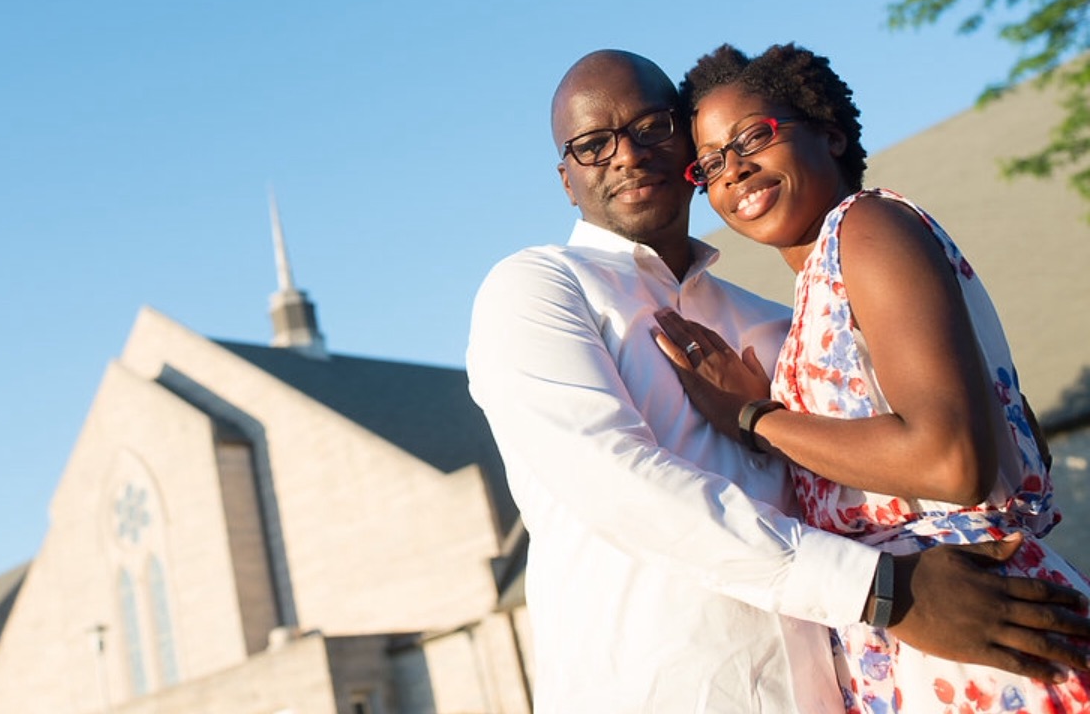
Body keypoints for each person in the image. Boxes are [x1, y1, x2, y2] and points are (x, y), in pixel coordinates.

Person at [466, 48, 1090, 714]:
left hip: (853, 685)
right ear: (567, 180)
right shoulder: (538, 289)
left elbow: (941, 455)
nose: (626, 154)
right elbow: (618, 487)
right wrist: (881, 590)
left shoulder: (780, 322)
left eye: (651, 127)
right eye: (593, 145)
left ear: (686, 146)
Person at [652, 43, 1090, 713]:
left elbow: (951, 461)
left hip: (985, 638)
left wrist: (755, 419)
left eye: (753, 137)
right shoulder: (820, 281)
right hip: (926, 643)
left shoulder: (868, 226)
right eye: (710, 163)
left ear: (830, 133)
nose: (733, 169)